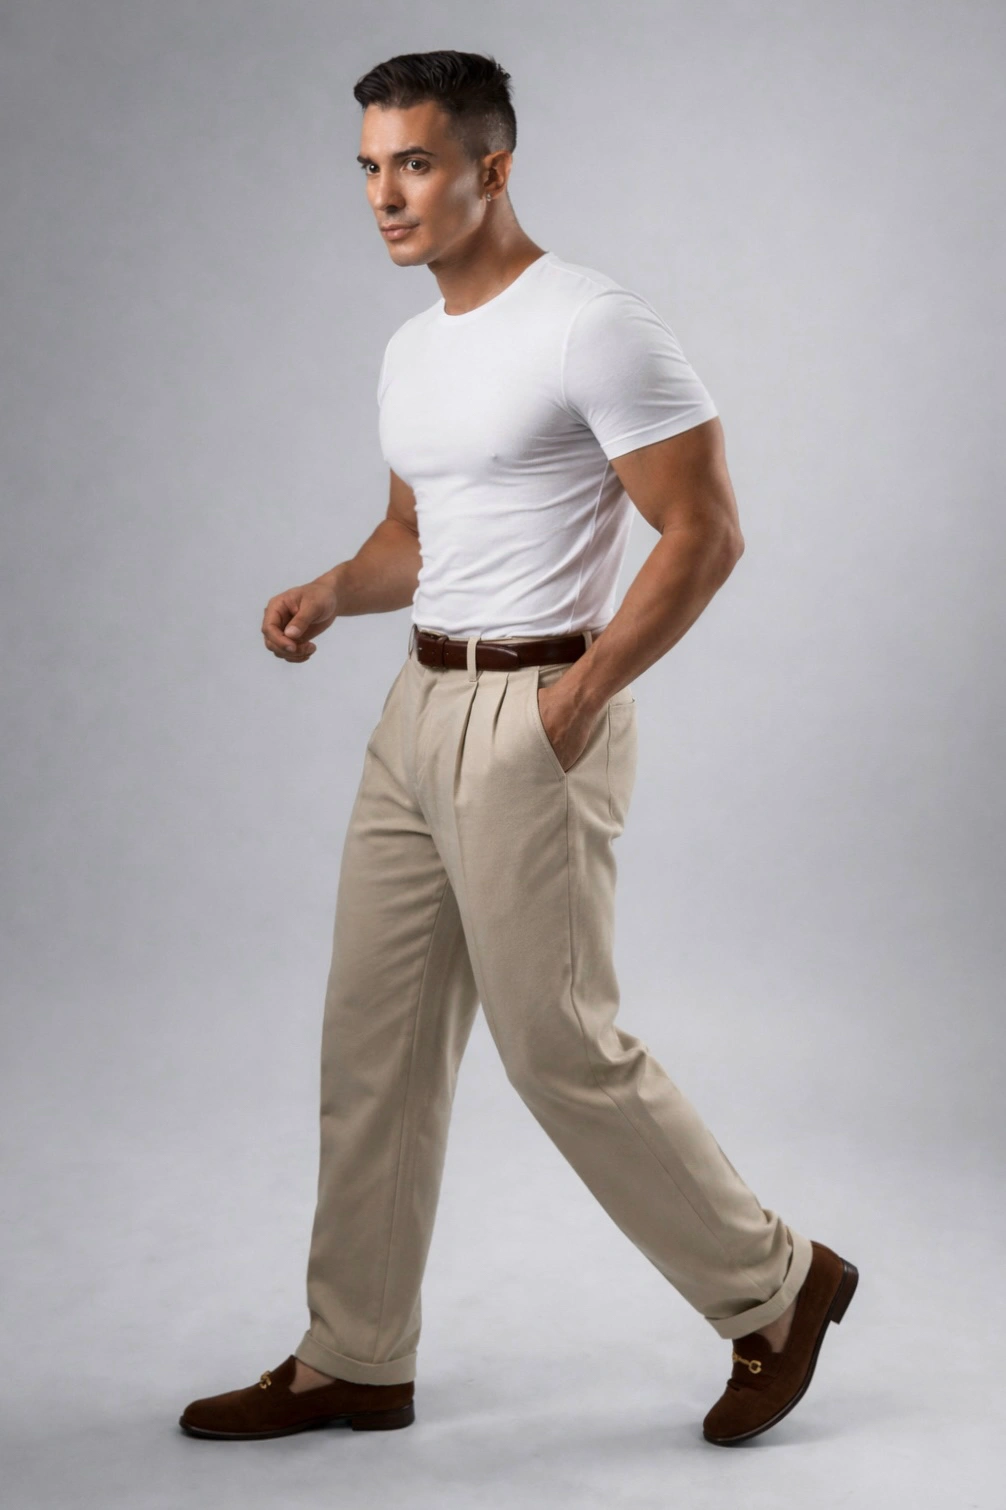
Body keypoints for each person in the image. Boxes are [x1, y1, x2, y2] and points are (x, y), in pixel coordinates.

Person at [179, 48, 856, 1448]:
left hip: (534, 710)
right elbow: (413, 537)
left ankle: (777, 1286)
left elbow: (706, 528)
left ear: (491, 167)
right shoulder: (412, 350)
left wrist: (580, 694)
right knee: (372, 1044)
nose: (385, 195)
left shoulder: (590, 324)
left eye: (415, 163)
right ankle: (354, 1353)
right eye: (370, 168)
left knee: (558, 1049)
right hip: (415, 711)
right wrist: (332, 588)